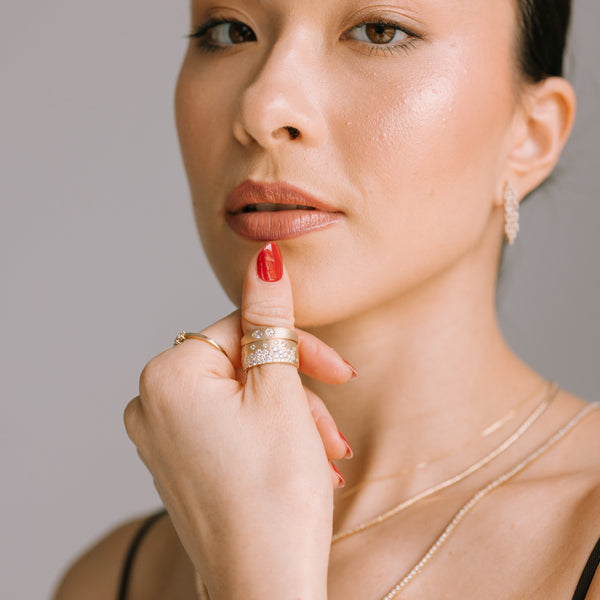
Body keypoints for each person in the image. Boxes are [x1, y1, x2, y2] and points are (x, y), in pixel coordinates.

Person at [52, 0, 600, 598]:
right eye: (231, 31)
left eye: (379, 32)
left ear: (530, 136)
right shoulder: (111, 580)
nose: (263, 108)